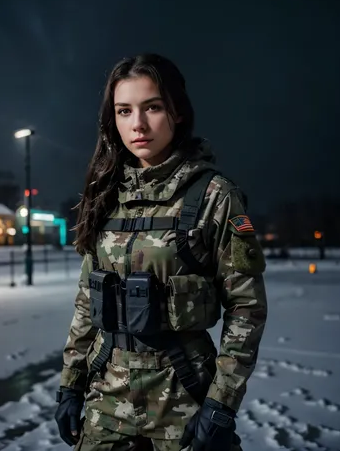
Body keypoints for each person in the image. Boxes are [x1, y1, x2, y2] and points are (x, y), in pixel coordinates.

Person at [55, 53, 268, 451]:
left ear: (178, 112)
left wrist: (221, 404)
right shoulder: (105, 195)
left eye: (152, 107)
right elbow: (87, 302)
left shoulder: (213, 195)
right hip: (107, 400)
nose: (137, 124)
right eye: (124, 110)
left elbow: (247, 308)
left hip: (184, 397)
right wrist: (70, 386)